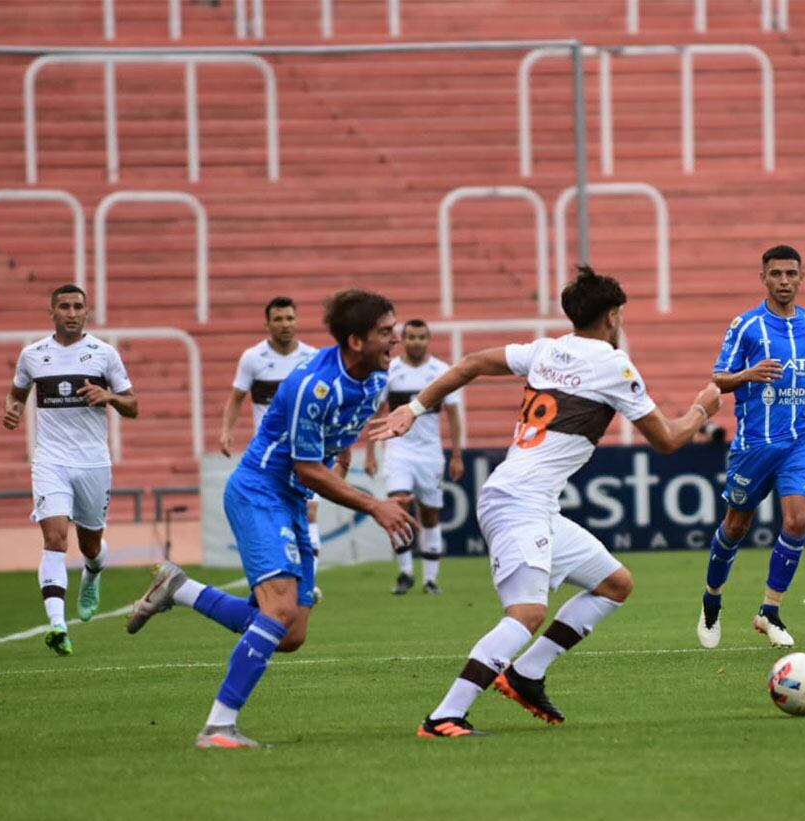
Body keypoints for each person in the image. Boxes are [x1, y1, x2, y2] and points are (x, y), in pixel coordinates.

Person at [371, 265, 721, 738]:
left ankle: (526, 673)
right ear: (613, 316)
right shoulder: (613, 365)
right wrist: (702, 408)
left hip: (529, 500)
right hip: (519, 501)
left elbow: (471, 361)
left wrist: (414, 408)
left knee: (614, 583)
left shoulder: (545, 349)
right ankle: (443, 717)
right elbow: (668, 440)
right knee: (527, 614)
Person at [126, 289, 418, 749]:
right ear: (357, 340)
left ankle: (180, 589)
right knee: (279, 610)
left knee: (290, 633)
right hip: (261, 491)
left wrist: (341, 454)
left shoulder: (376, 377)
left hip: (291, 498)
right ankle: (218, 727)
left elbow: (340, 429)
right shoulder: (312, 386)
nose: (395, 341)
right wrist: (374, 504)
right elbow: (305, 467)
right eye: (386, 332)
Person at [697, 245, 805, 651]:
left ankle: (769, 611)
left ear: (802, 277)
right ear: (764, 279)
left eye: (791, 274)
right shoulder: (746, 326)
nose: (784, 281)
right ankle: (711, 600)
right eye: (776, 274)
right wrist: (749, 374)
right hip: (755, 443)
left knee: (797, 521)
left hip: (804, 438)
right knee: (735, 527)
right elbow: (718, 380)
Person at [2, 284, 138, 655]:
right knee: (56, 539)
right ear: (52, 312)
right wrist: (12, 409)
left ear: (87, 311)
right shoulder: (32, 355)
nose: (72, 312)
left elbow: (133, 405)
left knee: (90, 545)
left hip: (93, 462)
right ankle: (58, 624)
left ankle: (93, 573)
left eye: (78, 306)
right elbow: (16, 395)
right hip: (50, 461)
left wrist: (109, 396)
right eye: (64, 306)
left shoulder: (103, 354)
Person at [218, 297, 323, 599]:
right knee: (282, 517)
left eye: (290, 318)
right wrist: (227, 431)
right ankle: (281, 577)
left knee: (309, 512)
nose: (285, 324)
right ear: (267, 324)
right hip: (269, 456)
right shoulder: (253, 358)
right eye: (278, 319)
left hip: (305, 450)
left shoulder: (311, 357)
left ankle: (308, 584)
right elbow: (237, 398)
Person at [366, 319, 464, 595]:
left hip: (430, 454)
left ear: (428, 340)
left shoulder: (442, 372)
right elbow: (376, 413)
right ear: (404, 339)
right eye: (412, 337)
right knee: (398, 505)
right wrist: (371, 453)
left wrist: (457, 454)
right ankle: (406, 572)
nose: (417, 342)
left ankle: (430, 579)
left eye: (422, 337)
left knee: (430, 514)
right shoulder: (391, 370)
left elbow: (454, 415)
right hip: (398, 451)